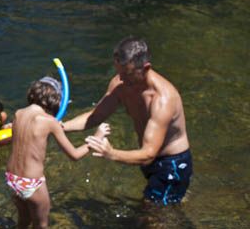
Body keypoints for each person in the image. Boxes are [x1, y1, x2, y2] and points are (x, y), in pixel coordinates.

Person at [65, 37, 192, 206]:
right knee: (160, 209)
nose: (121, 79)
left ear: (145, 68)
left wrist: (111, 153)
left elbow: (148, 154)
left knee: (153, 216)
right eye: (119, 72)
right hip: (148, 158)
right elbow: (95, 116)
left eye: (127, 74)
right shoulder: (121, 84)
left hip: (172, 163)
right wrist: (60, 126)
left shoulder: (162, 99)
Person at [5, 77, 110, 229]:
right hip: (32, 183)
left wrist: (53, 125)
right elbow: (74, 155)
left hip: (12, 179)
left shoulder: (18, 114)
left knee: (23, 222)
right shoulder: (50, 122)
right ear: (55, 101)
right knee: (41, 224)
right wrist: (96, 138)